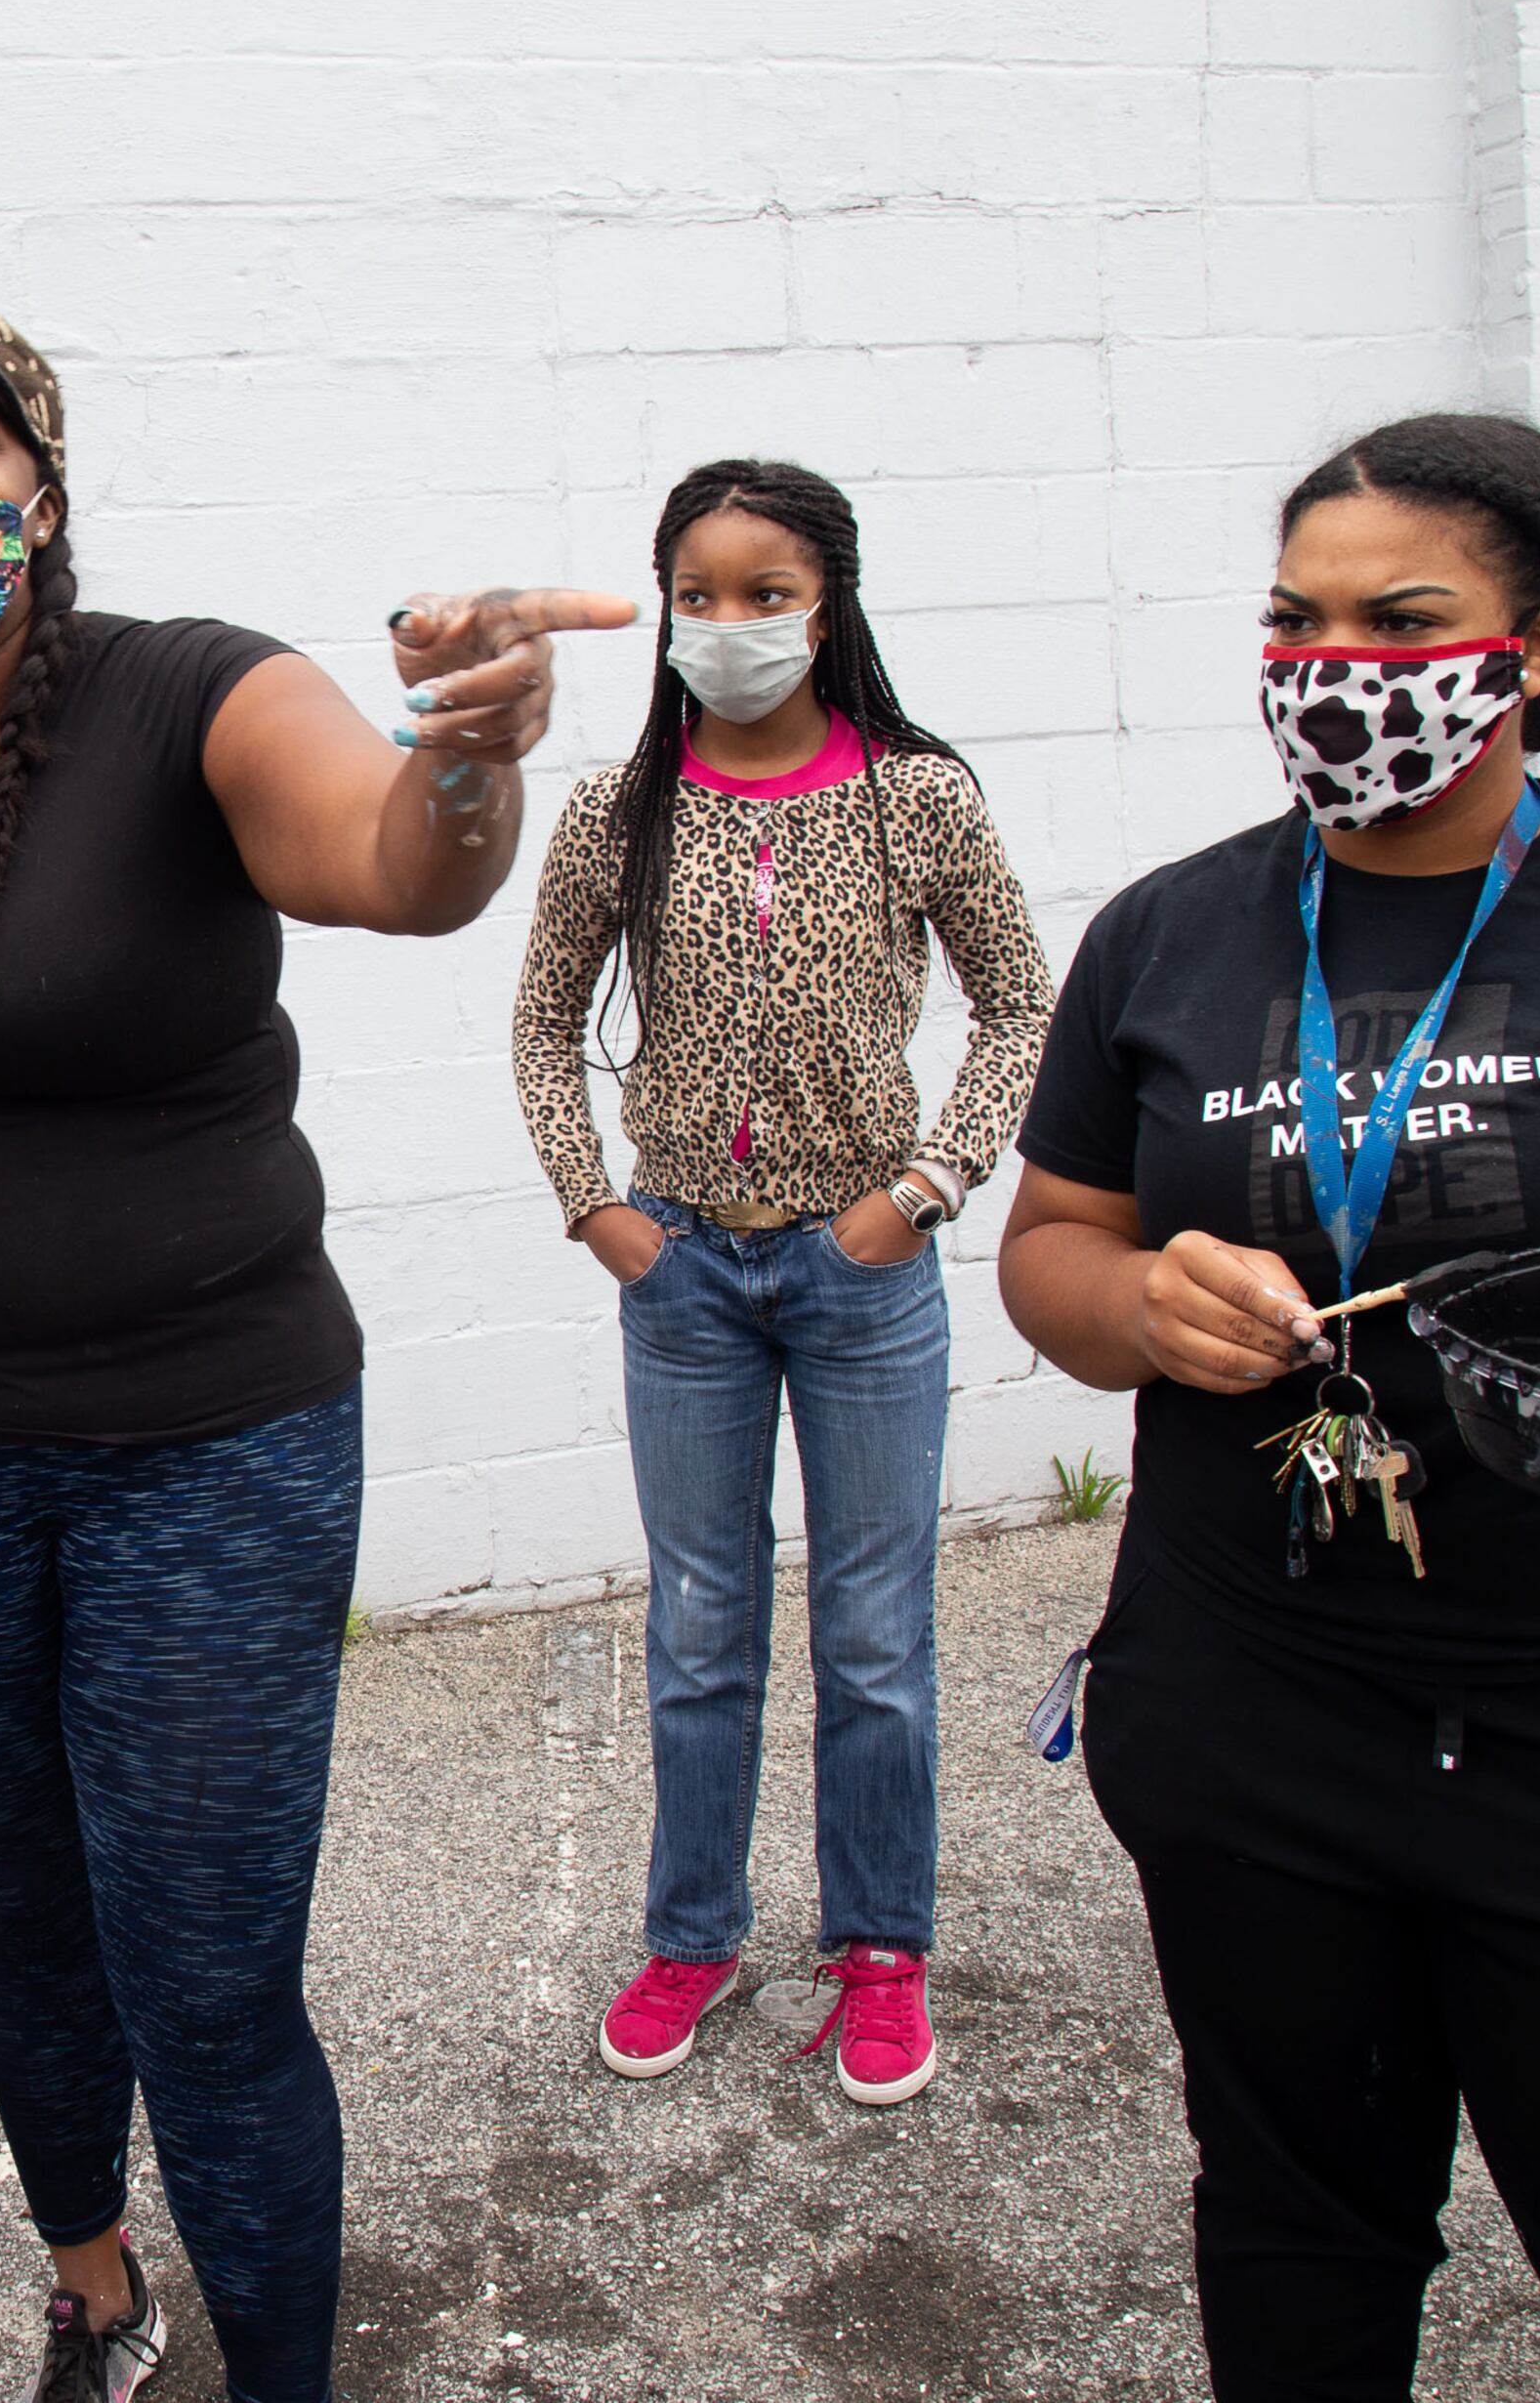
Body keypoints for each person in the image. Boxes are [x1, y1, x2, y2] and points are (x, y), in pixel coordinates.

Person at [0, 290, 633, 2403]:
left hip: (207, 1448)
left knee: (203, 1974)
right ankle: (96, 2286)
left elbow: (396, 866)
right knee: (26, 1917)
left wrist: (468, 764)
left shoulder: (189, 695)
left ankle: (283, 2371)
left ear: (48, 483)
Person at [996, 412, 1540, 2399]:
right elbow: (1053, 1242)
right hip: (1260, 1711)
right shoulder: (1172, 929)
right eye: (1295, 619)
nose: (1336, 668)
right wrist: (1141, 1298)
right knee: (1301, 2244)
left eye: (1403, 620)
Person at [509, 459, 1051, 2109]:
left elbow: (1021, 1001)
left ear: (829, 606)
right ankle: (695, 1933)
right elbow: (541, 1021)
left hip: (862, 1275)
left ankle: (882, 1952)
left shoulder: (916, 797)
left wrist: (928, 1190)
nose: (730, 624)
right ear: (665, 606)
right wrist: (597, 1208)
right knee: (701, 1629)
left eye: (766, 592)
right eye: (699, 593)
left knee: (877, 1636)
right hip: (683, 1278)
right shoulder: (621, 807)